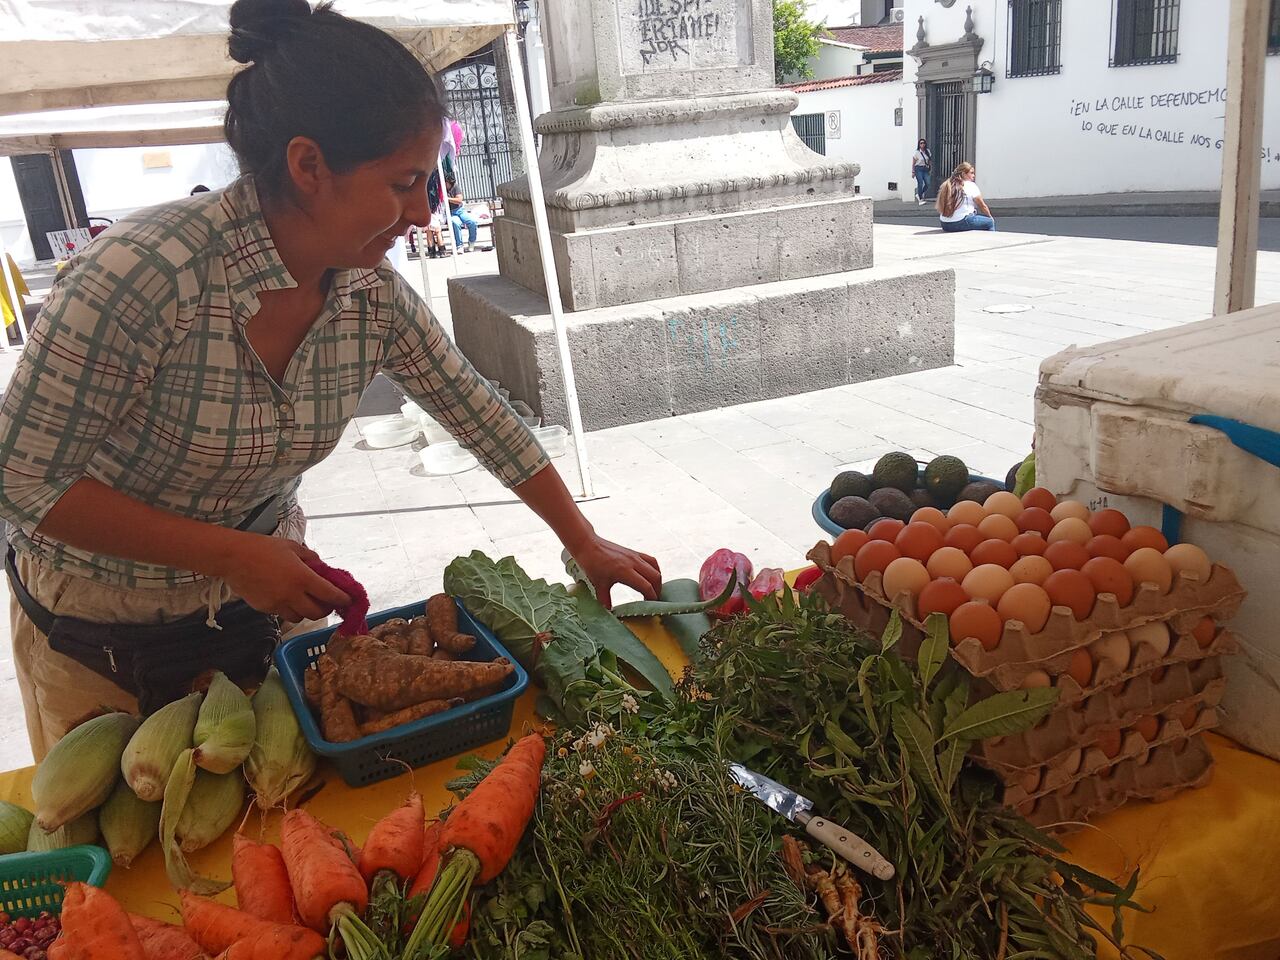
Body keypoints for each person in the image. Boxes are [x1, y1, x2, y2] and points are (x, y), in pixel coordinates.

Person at [0, 0, 662, 758]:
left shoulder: (367, 293)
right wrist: (227, 553)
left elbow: (480, 414)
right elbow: (21, 481)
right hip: (99, 641)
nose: (422, 212)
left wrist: (585, 541)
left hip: (263, 611)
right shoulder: (146, 275)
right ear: (309, 165)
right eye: (403, 182)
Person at [936, 162, 996, 232]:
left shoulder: (949, 184)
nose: (974, 175)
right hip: (961, 221)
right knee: (989, 223)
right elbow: (982, 206)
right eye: (971, 173)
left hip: (945, 224)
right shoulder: (971, 185)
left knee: (975, 219)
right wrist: (990, 217)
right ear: (964, 174)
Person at [446, 177, 480, 253]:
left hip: (460, 210)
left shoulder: (455, 186)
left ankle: (471, 241)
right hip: (450, 212)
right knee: (455, 223)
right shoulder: (442, 189)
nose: (446, 185)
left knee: (472, 222)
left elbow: (459, 200)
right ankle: (459, 245)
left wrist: (448, 199)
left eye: (447, 183)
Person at [911, 139, 931, 204]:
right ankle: (920, 199)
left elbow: (929, 161)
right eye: (921, 143)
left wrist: (930, 168)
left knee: (927, 183)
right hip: (918, 168)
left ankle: (919, 194)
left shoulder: (927, 151)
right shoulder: (917, 153)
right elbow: (913, 163)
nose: (922, 144)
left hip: (925, 169)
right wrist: (913, 171)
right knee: (920, 183)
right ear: (919, 145)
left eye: (923, 143)